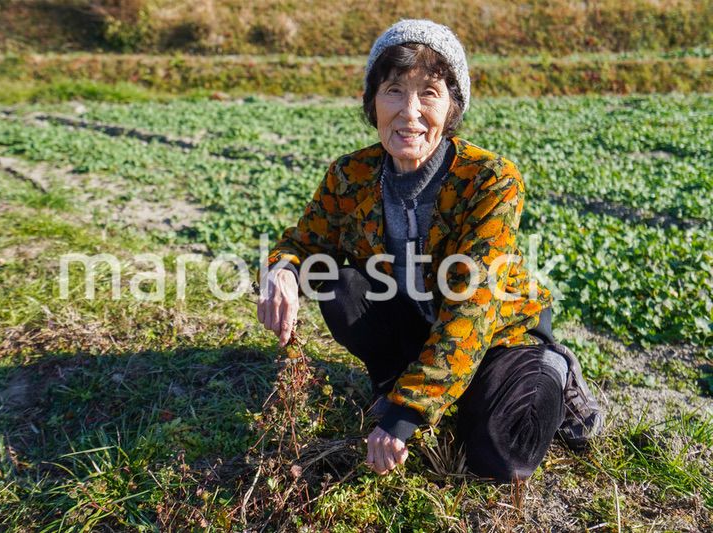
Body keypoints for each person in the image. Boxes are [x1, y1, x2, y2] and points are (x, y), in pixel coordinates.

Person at [256, 19, 602, 482]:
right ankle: (394, 384)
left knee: (501, 459)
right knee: (340, 284)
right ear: (372, 101)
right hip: (415, 322)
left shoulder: (490, 180)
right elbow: (304, 242)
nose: (410, 112)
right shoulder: (351, 174)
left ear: (453, 107)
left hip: (497, 337)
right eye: (394, 90)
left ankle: (554, 367)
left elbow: (473, 304)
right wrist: (282, 268)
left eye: (430, 93)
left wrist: (406, 416)